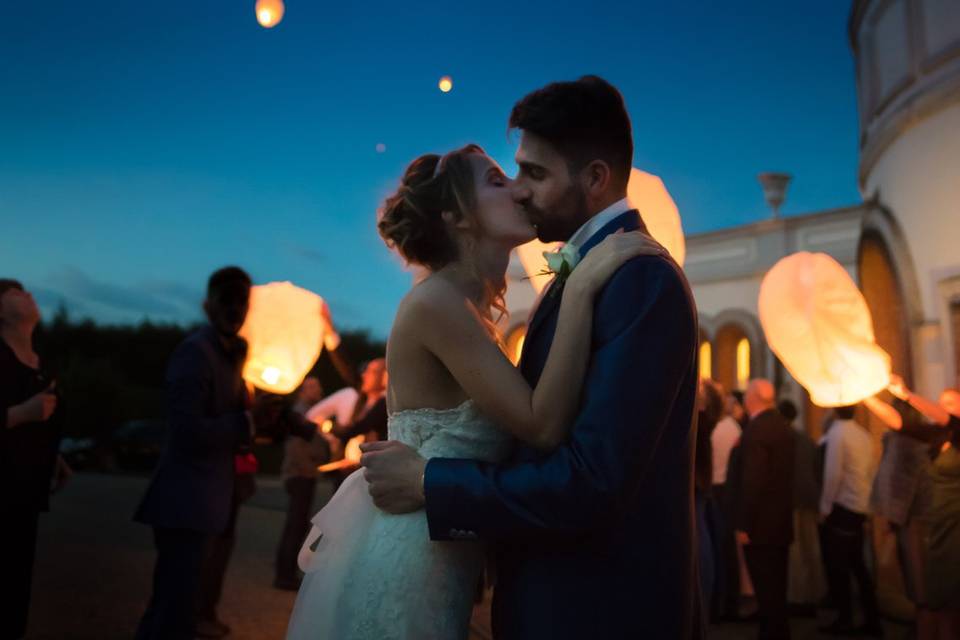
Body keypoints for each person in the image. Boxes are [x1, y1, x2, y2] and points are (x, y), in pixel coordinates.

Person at [319, 76, 700, 640]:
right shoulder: (575, 276)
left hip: (598, 612)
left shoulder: (637, 279)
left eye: (534, 173)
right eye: (510, 174)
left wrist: (431, 482)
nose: (520, 190)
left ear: (595, 178)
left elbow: (592, 483)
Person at [133, 267, 284, 640]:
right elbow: (187, 432)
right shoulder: (195, 353)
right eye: (227, 301)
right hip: (185, 504)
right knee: (172, 612)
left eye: (242, 302)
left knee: (173, 609)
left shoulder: (231, 355)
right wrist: (247, 421)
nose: (236, 310)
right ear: (208, 305)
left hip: (207, 504)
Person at [0, 279, 72, 640]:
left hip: (25, 498)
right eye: (13, 292)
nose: (26, 293)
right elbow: (25, 416)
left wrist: (53, 457)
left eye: (27, 290)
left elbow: (42, 425)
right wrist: (20, 414)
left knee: (15, 596)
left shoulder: (44, 367)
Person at [869, 379, 960, 639]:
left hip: (956, 524)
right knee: (934, 597)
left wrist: (906, 394)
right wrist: (867, 397)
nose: (944, 408)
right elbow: (898, 424)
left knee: (951, 597)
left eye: (951, 403)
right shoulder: (936, 435)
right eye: (941, 403)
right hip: (936, 522)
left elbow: (947, 420)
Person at [735, 379, 795, 640]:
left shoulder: (756, 430)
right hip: (780, 521)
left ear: (753, 398)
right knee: (777, 588)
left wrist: (744, 523)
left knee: (765, 587)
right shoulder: (782, 426)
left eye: (747, 394)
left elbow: (753, 480)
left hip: (759, 524)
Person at [817, 404, 881, 636]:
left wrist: (825, 506)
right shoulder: (863, 434)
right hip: (860, 506)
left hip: (843, 507)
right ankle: (872, 619)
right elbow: (871, 470)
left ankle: (845, 620)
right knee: (858, 566)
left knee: (840, 566)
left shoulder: (837, 433)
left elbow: (833, 473)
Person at [273, 375, 331, 591]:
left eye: (317, 385)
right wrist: (312, 464)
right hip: (300, 475)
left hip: (304, 474)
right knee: (295, 524)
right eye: (311, 386)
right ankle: (285, 575)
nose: (317, 389)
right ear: (301, 391)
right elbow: (296, 447)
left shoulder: (314, 412)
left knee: (297, 523)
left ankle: (285, 572)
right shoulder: (301, 413)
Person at [780, 398, 824, 616]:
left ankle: (799, 599)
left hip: (794, 500)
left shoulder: (784, 439)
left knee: (797, 552)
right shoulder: (807, 439)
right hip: (810, 499)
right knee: (812, 549)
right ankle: (815, 594)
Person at [711, 387, 744, 620]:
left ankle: (718, 604)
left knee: (718, 549)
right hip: (727, 490)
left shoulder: (718, 428)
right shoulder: (734, 427)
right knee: (727, 551)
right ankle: (730, 603)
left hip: (716, 490)